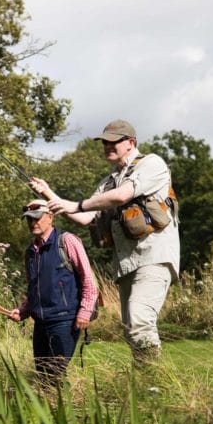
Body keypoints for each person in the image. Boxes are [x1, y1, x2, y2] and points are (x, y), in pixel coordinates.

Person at [30, 119, 180, 367]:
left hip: (154, 257)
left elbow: (123, 195)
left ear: (131, 143)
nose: (107, 145)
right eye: (104, 142)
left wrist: (77, 204)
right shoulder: (107, 183)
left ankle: (155, 379)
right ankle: (146, 378)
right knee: (131, 326)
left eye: (114, 141)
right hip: (126, 265)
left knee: (140, 319)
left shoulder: (152, 164)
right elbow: (85, 217)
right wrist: (49, 194)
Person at [6, 199, 99, 384]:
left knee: (55, 375)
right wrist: (23, 311)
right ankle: (48, 410)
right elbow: (33, 288)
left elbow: (88, 280)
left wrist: (85, 311)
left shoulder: (67, 241)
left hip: (65, 320)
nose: (33, 223)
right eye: (29, 220)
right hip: (40, 323)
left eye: (37, 218)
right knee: (43, 376)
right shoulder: (30, 252)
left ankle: (64, 409)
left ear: (50, 217)